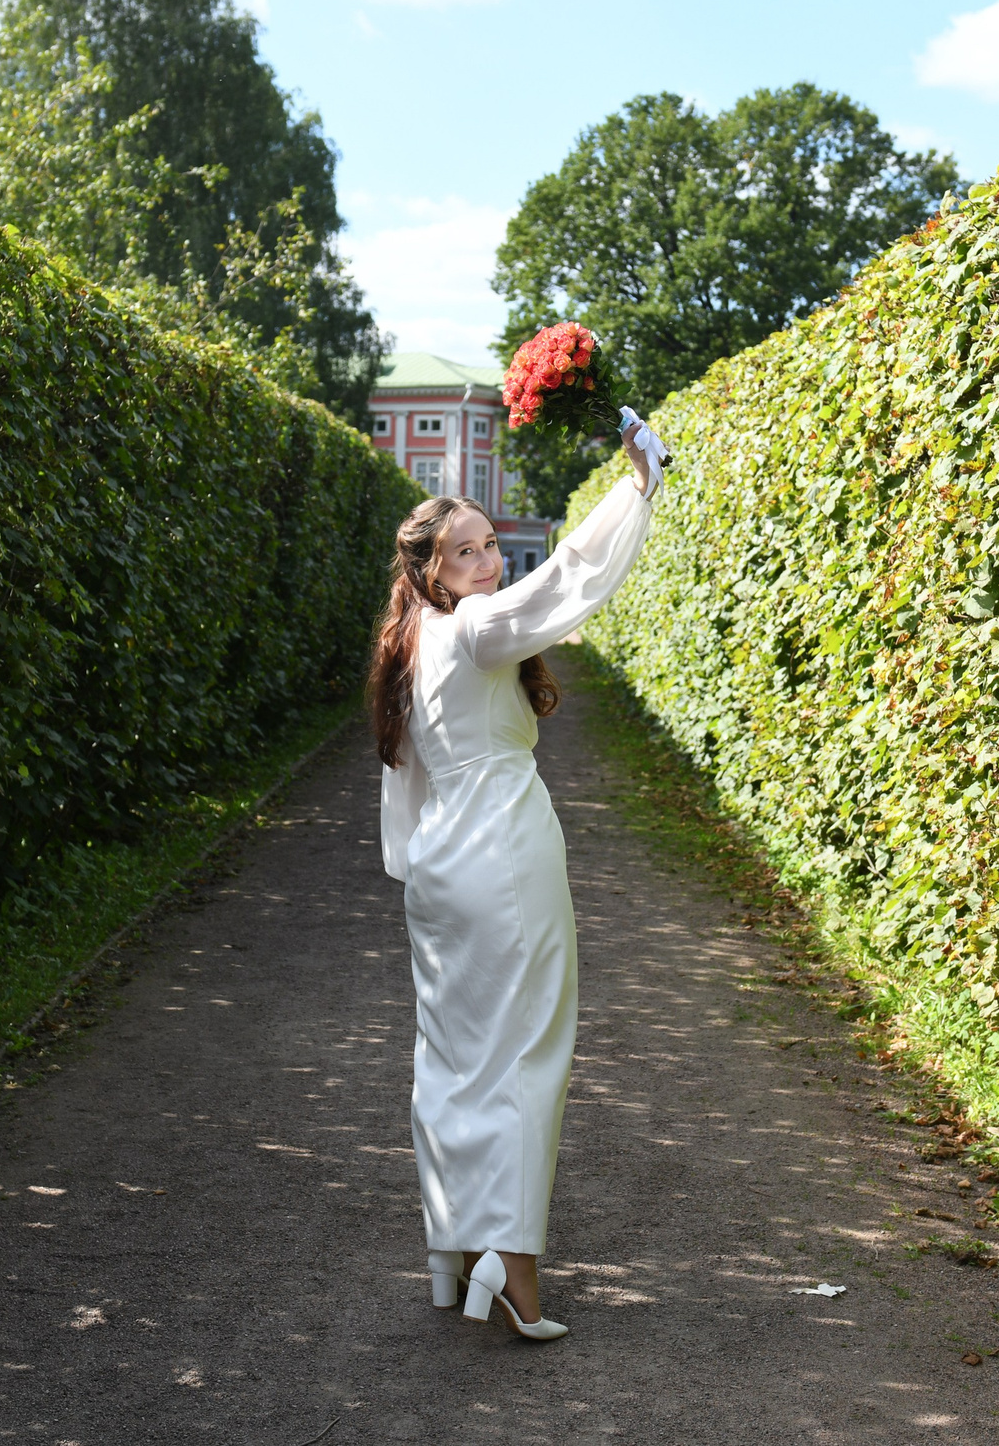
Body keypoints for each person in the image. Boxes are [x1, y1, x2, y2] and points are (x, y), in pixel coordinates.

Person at [367, 416, 666, 1341]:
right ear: (431, 569)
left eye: (492, 544)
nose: (491, 562)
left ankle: (450, 1251)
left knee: (452, 1053)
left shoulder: (408, 645)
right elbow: (570, 579)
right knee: (531, 1049)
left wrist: (415, 872)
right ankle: (512, 1266)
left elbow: (400, 796)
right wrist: (637, 487)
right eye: (467, 551)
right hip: (505, 850)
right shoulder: (473, 628)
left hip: (439, 871)